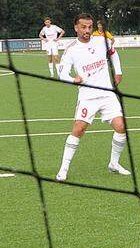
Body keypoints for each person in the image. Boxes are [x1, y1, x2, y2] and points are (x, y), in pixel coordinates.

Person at [55, 14, 129, 181]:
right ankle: (63, 169)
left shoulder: (100, 40)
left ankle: (114, 164)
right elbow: (62, 73)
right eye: (83, 27)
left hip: (107, 94)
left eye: (89, 27)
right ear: (76, 27)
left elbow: (113, 53)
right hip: (88, 96)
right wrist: (73, 79)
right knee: (78, 129)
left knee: (121, 126)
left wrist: (118, 71)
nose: (87, 30)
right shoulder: (71, 49)